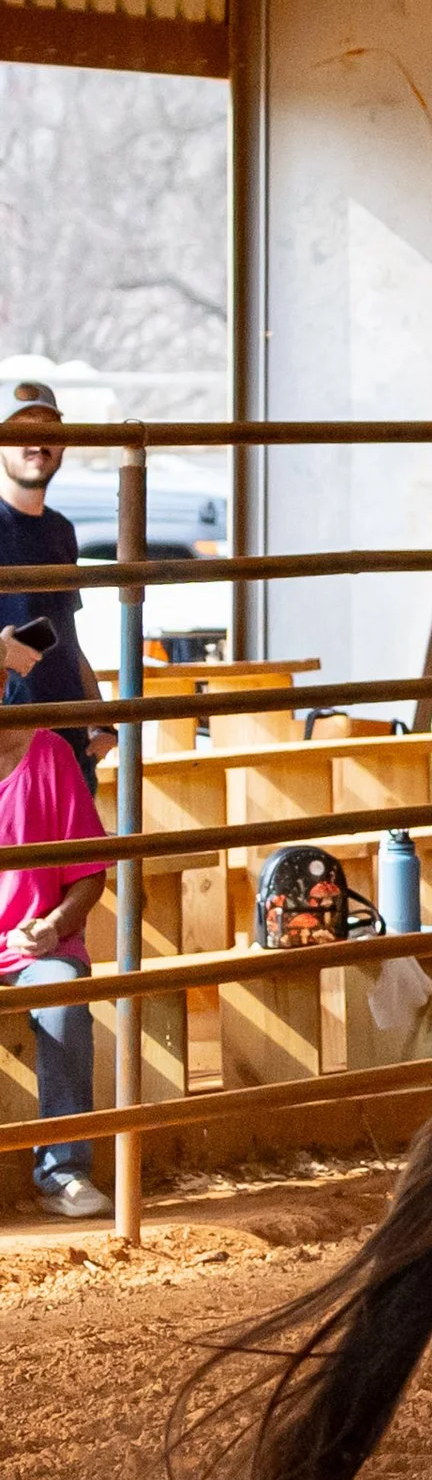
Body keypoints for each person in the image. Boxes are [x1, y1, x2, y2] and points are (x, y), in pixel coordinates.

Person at [0, 710, 110, 1216]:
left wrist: (54, 925)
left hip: (38, 942)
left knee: (63, 1001)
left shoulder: (50, 753)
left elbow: (90, 872)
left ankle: (64, 1171)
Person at [0, 381, 112, 794]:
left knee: (81, 858)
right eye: (20, 430)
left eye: (48, 429)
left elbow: (68, 634)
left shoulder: (61, 530)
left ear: (63, 445)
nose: (36, 442)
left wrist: (99, 718)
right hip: (11, 743)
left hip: (69, 740)